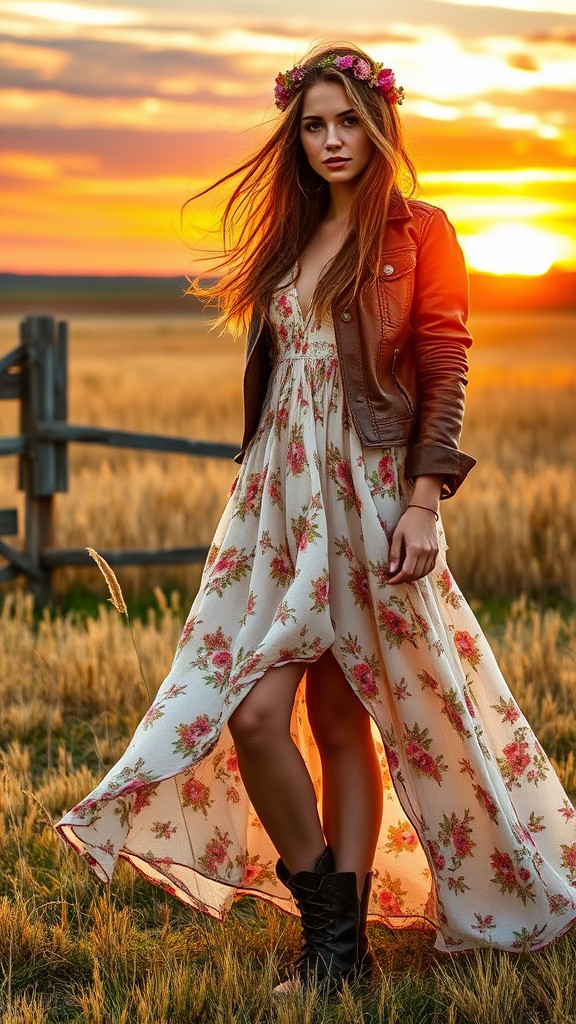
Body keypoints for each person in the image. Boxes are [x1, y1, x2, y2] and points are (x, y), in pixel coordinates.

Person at [56, 43, 576, 994]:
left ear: (380, 126)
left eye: (348, 121)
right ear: (294, 134)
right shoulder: (289, 236)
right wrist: (259, 492)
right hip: (283, 504)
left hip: (373, 496)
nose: (332, 140)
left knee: (343, 716)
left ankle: (340, 955)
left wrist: (424, 503)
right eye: (314, 124)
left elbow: (446, 366)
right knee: (257, 715)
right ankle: (329, 930)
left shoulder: (420, 232)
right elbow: (286, 379)